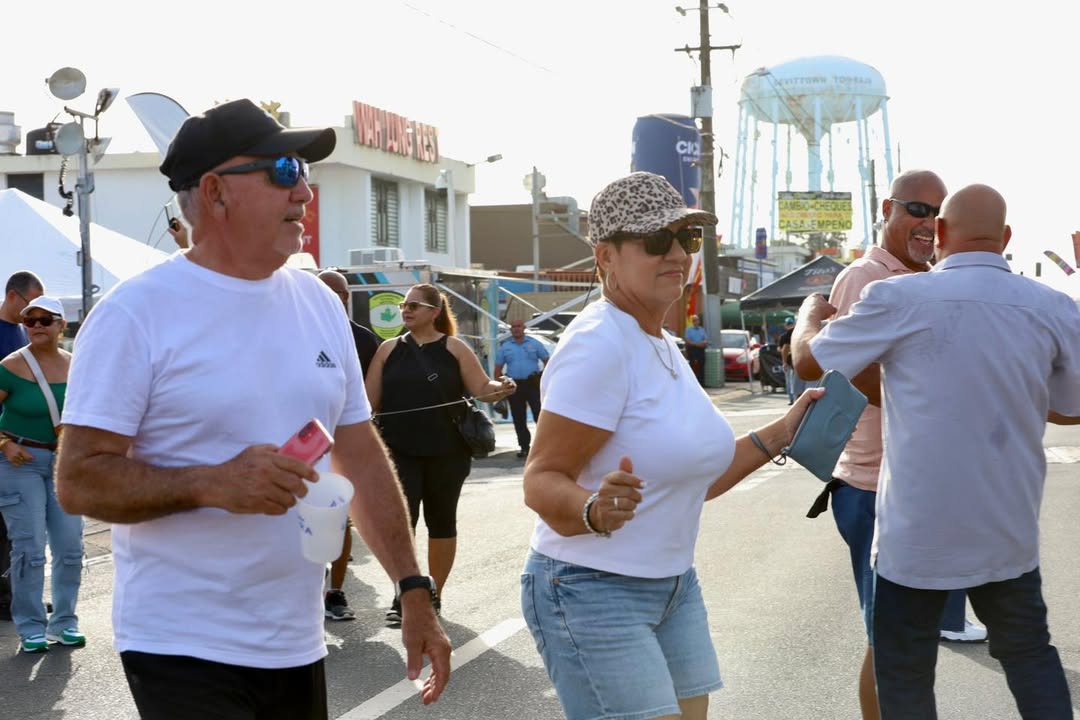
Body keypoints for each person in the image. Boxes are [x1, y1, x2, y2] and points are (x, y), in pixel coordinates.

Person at [54, 99, 450, 719]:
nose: (306, 193)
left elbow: (359, 455)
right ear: (215, 192)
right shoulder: (136, 314)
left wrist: (412, 587)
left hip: (295, 641)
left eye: (306, 174)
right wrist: (212, 482)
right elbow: (78, 479)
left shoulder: (318, 304)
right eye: (285, 171)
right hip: (180, 644)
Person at [520, 172, 822, 720]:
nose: (678, 253)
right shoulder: (598, 344)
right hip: (592, 590)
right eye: (656, 241)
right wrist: (591, 509)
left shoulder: (657, 340)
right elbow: (540, 480)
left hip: (673, 585)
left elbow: (697, 480)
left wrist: (783, 430)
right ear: (605, 256)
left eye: (688, 238)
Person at [793, 183, 1080, 720]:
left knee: (904, 669)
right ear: (1007, 238)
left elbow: (811, 362)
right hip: (1007, 534)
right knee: (1028, 656)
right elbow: (1071, 406)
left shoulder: (898, 298)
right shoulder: (1052, 306)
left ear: (942, 233)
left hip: (914, 539)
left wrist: (811, 311)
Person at [803, 170, 983, 720]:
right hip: (877, 488)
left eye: (939, 215)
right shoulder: (870, 277)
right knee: (893, 642)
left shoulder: (921, 279)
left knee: (908, 639)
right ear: (887, 209)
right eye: (917, 210)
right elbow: (845, 369)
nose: (929, 224)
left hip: (909, 490)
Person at [366, 283, 515, 621]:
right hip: (399, 451)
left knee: (441, 522)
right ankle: (405, 594)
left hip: (448, 451)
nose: (405, 310)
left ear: (434, 312)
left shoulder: (455, 347)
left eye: (414, 306)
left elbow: (482, 389)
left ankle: (434, 596)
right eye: (404, 305)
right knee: (403, 524)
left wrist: (501, 388)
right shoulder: (388, 350)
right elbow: (366, 402)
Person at [0, 296, 83, 654]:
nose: (36, 325)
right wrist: (4, 443)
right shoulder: (10, 366)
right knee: (29, 549)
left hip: (63, 466)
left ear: (61, 326)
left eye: (45, 320)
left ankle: (64, 622)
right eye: (29, 320)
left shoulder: (78, 365)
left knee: (70, 548)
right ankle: (31, 626)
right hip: (20, 463)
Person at [316, 269, 382, 621]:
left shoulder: (363, 340)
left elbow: (373, 396)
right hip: (301, 448)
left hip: (345, 448)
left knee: (339, 523)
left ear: (345, 298)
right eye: (321, 290)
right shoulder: (297, 333)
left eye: (335, 293)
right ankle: (308, 592)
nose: (328, 298)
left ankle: (335, 593)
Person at [0, 271, 44, 624]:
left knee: (20, 527)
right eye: (31, 306)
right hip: (4, 443)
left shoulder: (21, 334)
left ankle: (18, 595)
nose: (34, 316)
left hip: (20, 446)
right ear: (13, 296)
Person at [494, 319, 549, 458]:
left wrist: (543, 377)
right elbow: (497, 370)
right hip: (515, 386)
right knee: (519, 418)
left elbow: (548, 361)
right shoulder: (505, 347)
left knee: (540, 416)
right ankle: (524, 447)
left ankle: (544, 448)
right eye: (513, 327)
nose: (516, 329)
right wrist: (503, 386)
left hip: (532, 384)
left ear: (524, 328)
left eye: (518, 326)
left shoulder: (534, 344)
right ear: (510, 330)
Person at [777, 316, 799, 404]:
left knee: (791, 381)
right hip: (791, 361)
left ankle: (793, 399)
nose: (790, 325)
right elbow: (782, 348)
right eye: (788, 324)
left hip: (794, 362)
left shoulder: (789, 334)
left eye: (790, 324)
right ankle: (792, 398)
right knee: (790, 381)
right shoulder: (786, 336)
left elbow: (783, 348)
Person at [683, 314, 708, 385]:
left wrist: (702, 343)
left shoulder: (702, 330)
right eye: (694, 320)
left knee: (701, 365)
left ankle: (702, 382)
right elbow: (687, 340)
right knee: (692, 365)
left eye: (697, 320)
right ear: (692, 322)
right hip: (692, 349)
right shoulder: (689, 330)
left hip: (700, 349)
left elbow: (706, 340)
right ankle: (692, 382)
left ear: (699, 321)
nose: (696, 322)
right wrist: (696, 344)